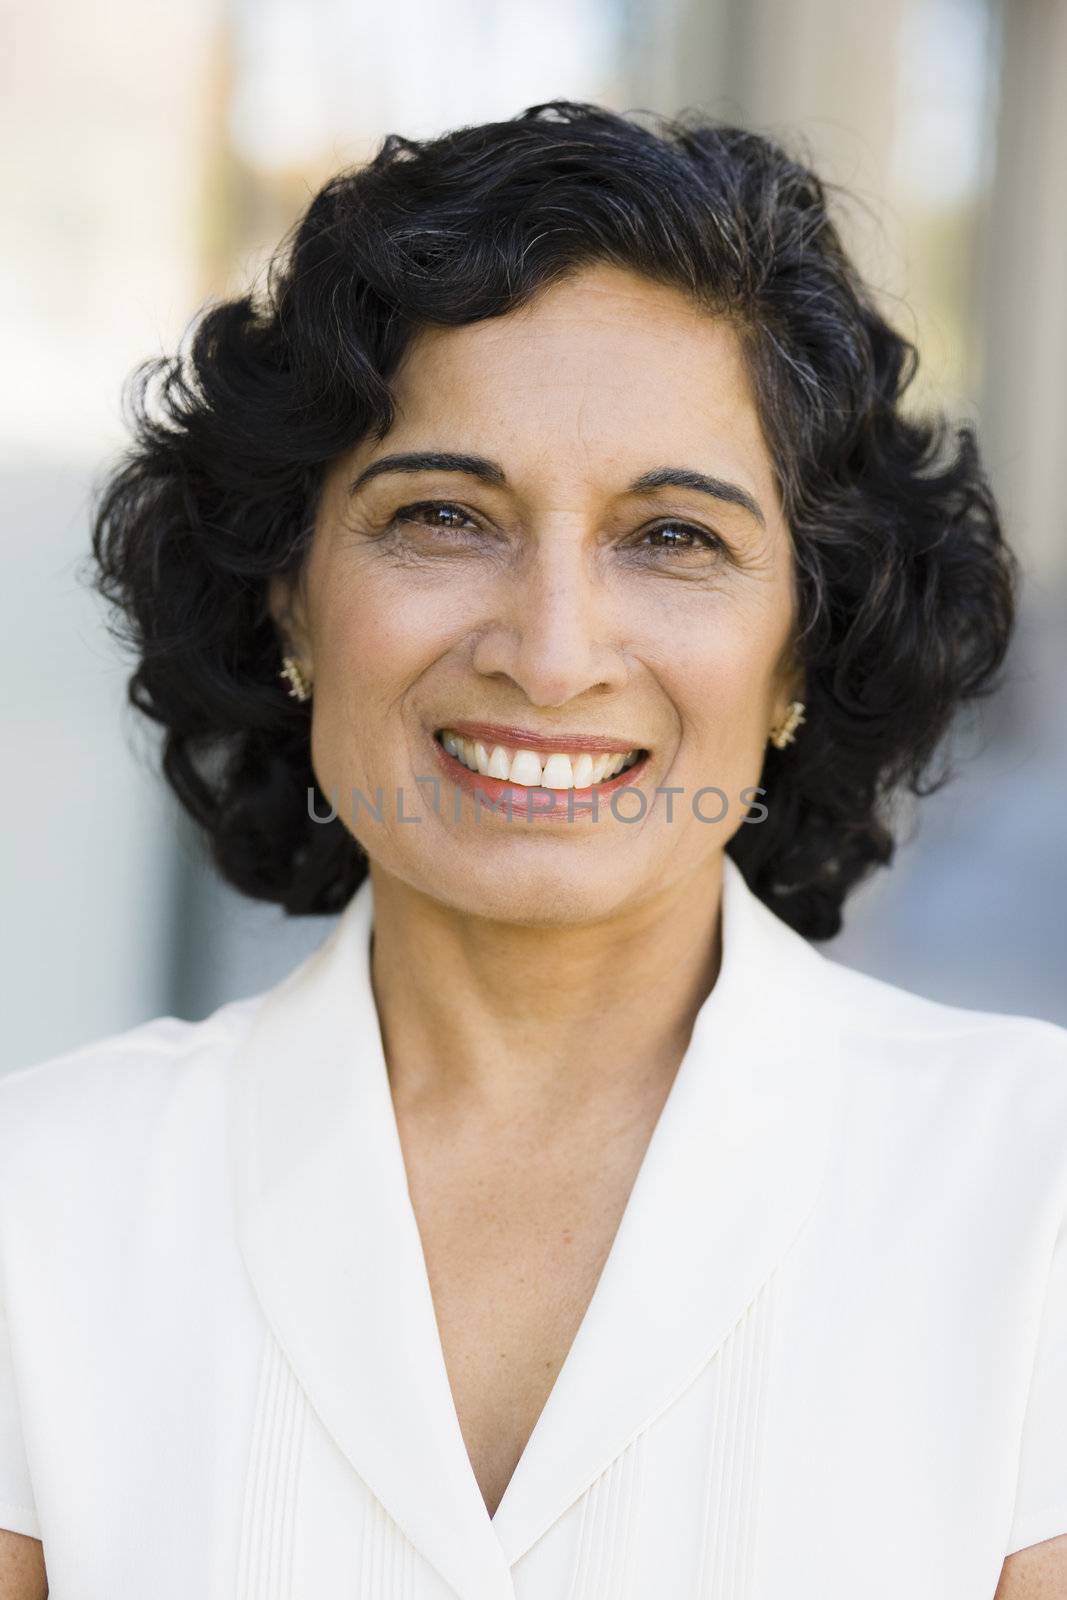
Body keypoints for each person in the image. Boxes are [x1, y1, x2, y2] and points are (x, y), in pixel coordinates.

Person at [1, 101, 1065, 1600]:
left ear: (800, 652)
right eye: (443, 514)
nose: (552, 654)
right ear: (292, 599)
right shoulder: (43, 1203)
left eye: (674, 538)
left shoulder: (1032, 1195)